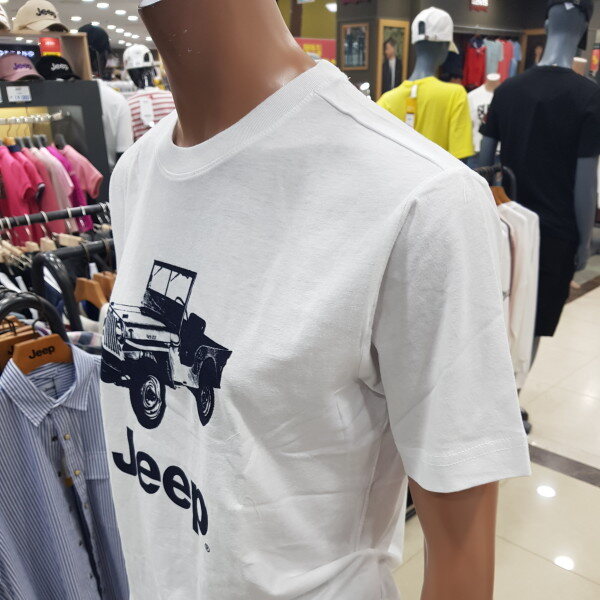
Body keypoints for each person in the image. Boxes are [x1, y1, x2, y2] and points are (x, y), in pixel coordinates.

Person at [79, 24, 133, 170]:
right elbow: (124, 157)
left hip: (66, 180)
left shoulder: (56, 95)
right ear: (103, 57)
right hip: (107, 178)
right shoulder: (116, 100)